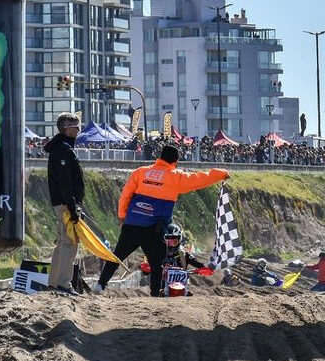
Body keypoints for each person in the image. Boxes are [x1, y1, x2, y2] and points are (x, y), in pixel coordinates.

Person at [95, 145, 228, 296]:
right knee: (156, 263)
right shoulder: (176, 176)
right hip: (153, 228)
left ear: (159, 157)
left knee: (117, 256)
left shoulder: (141, 172)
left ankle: (100, 285)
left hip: (132, 223)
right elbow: (199, 178)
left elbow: (126, 194)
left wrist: (122, 215)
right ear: (175, 161)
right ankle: (155, 294)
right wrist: (221, 174)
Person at [45, 112, 84, 295]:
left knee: (62, 243)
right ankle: (63, 283)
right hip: (65, 204)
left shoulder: (60, 148)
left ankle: (54, 282)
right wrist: (73, 206)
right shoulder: (63, 150)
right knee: (69, 243)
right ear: (68, 129)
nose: (79, 130)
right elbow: (66, 182)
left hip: (62, 202)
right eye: (77, 127)